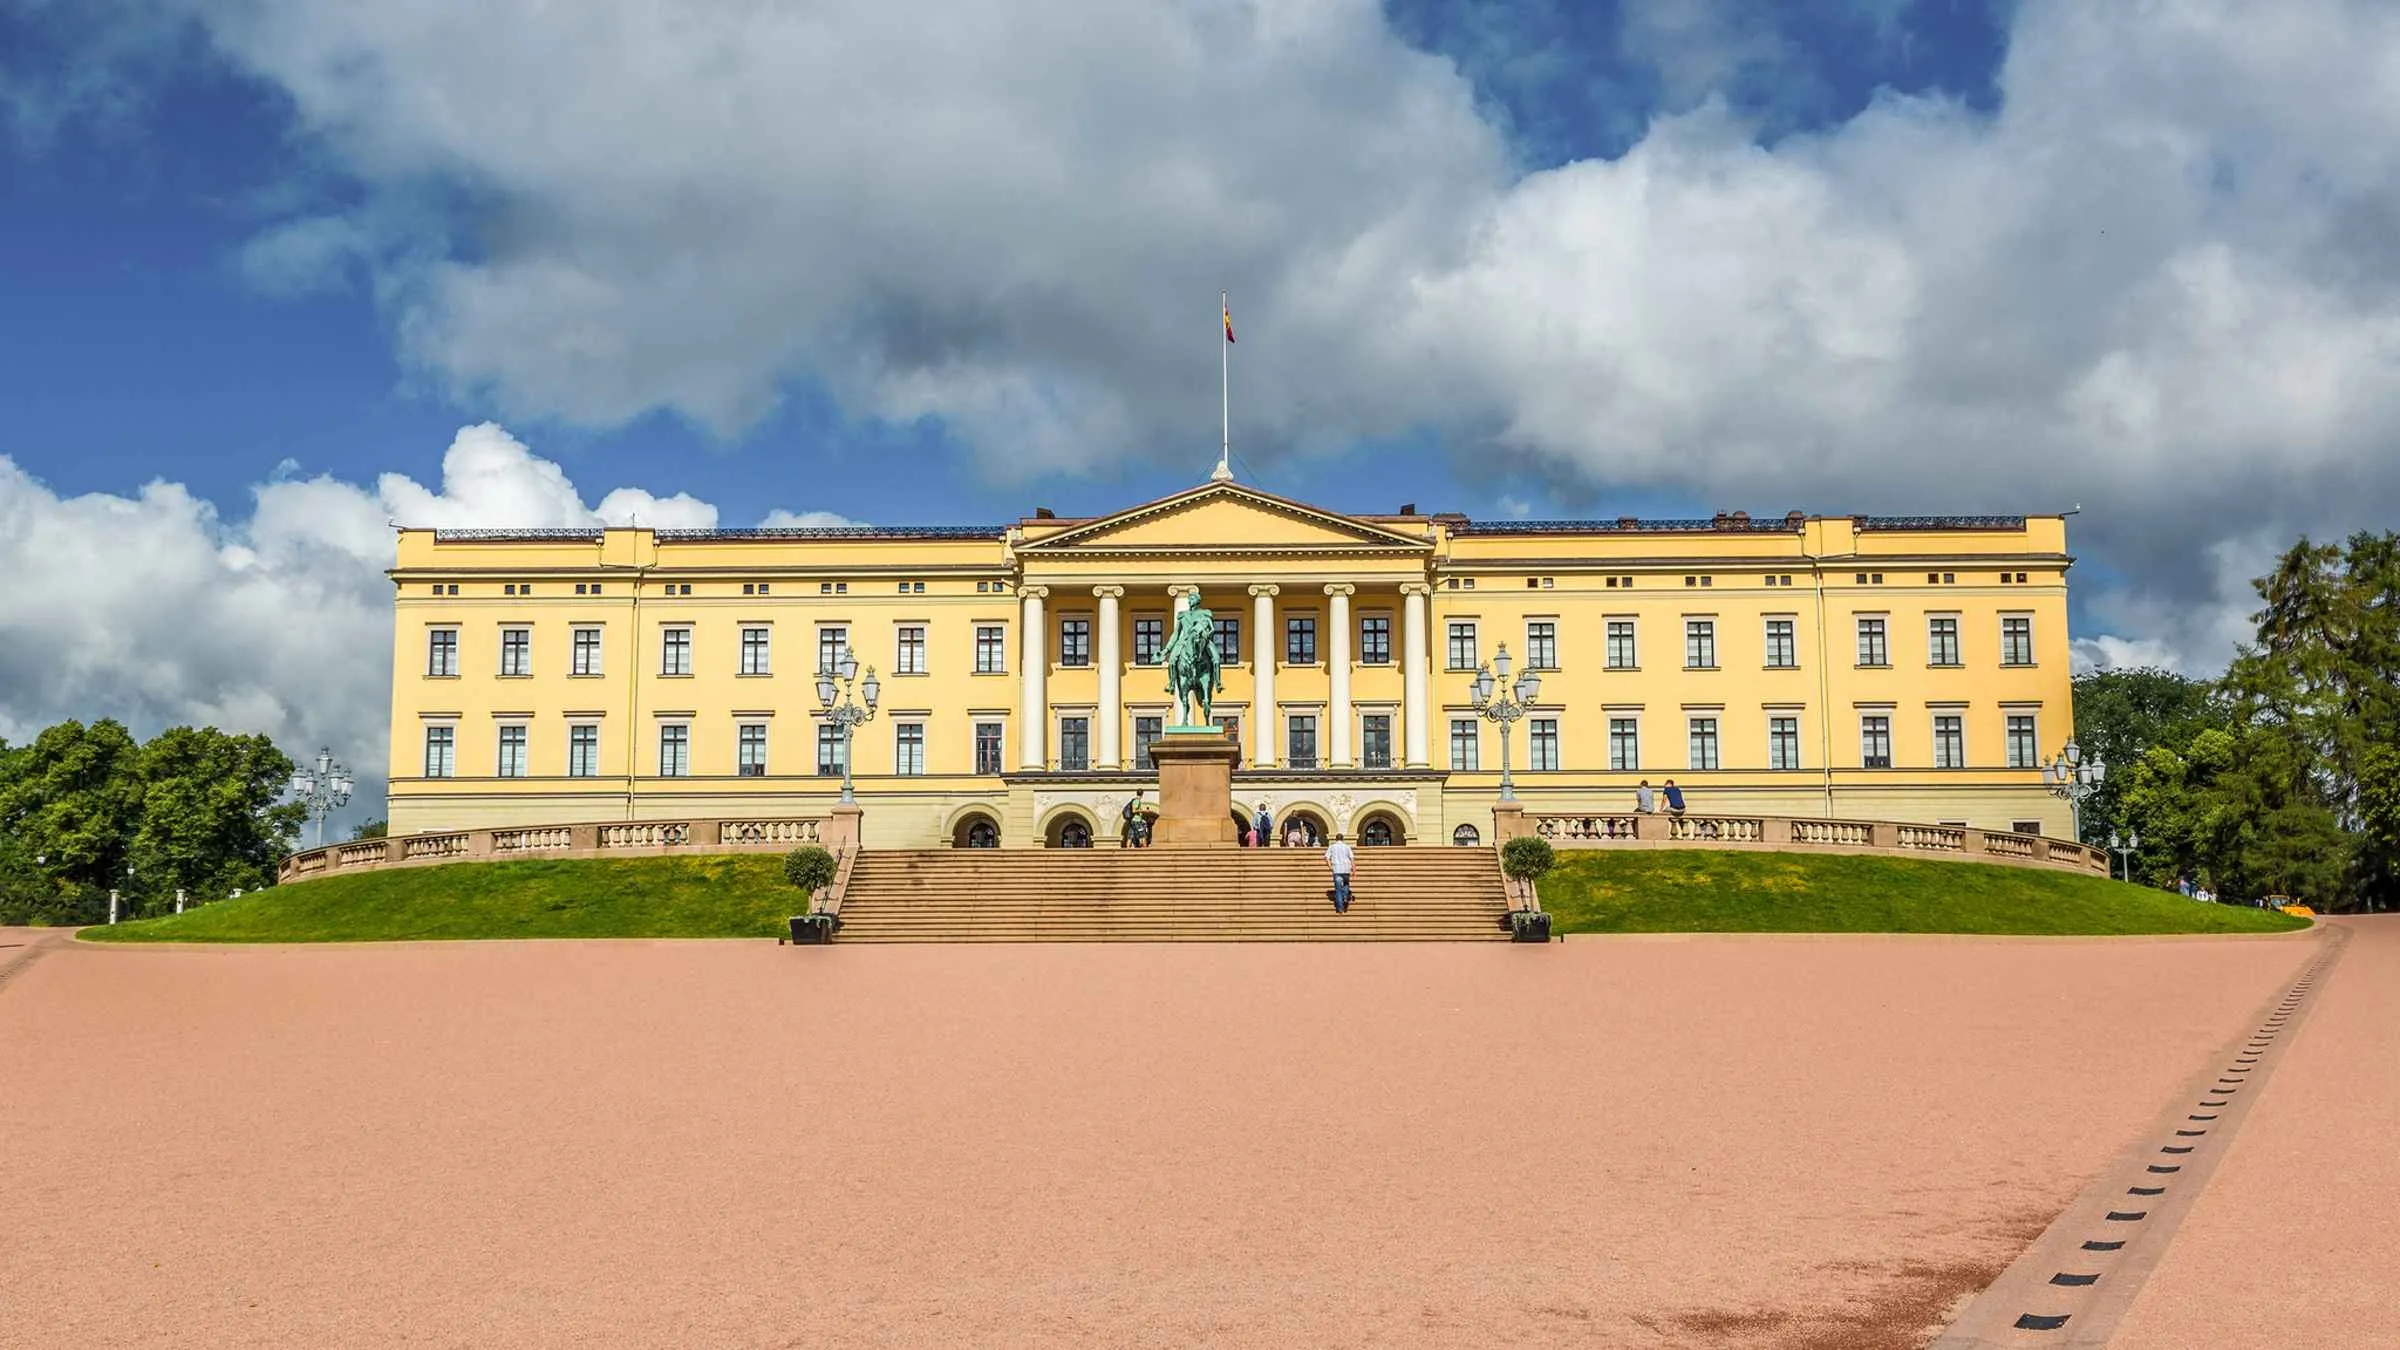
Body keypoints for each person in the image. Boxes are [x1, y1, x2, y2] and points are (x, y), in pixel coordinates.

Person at [1325, 831, 1356, 913]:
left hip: (1337, 869)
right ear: (1343, 839)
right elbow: (1352, 858)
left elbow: (1327, 857)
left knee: (1338, 889)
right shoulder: (1347, 847)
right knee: (1346, 884)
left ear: (1336, 839)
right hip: (1346, 869)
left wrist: (1330, 866)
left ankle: (1340, 908)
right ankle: (1345, 897)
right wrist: (1354, 869)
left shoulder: (1332, 847)